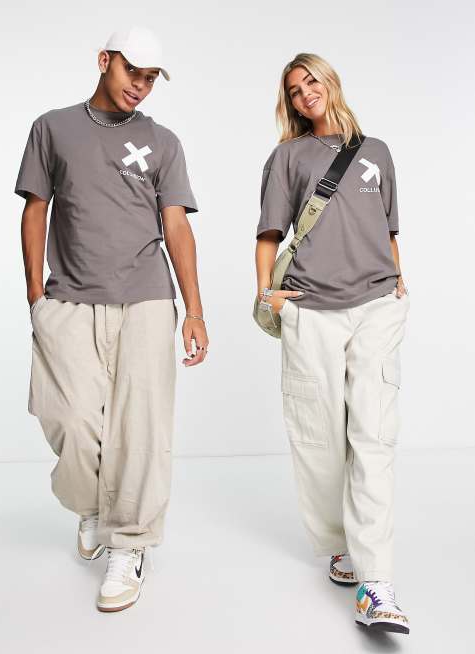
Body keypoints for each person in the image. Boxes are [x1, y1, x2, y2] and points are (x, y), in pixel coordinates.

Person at [15, 26, 208, 613]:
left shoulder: (163, 141)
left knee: (141, 429)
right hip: (69, 297)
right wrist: (35, 296)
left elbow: (176, 225)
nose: (140, 86)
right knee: (70, 419)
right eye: (132, 72)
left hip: (146, 296)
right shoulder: (52, 128)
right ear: (104, 61)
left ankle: (129, 544)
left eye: (150, 78)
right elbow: (36, 210)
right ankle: (93, 508)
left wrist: (194, 309)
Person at [254, 53, 410, 634]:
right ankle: (339, 544)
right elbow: (270, 235)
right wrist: (269, 296)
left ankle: (376, 583)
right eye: (294, 91)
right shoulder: (287, 158)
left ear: (331, 82)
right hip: (312, 310)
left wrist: (398, 281)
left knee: (373, 437)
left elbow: (389, 229)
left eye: (311, 81)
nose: (305, 95)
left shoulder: (377, 152)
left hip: (376, 307)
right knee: (320, 440)